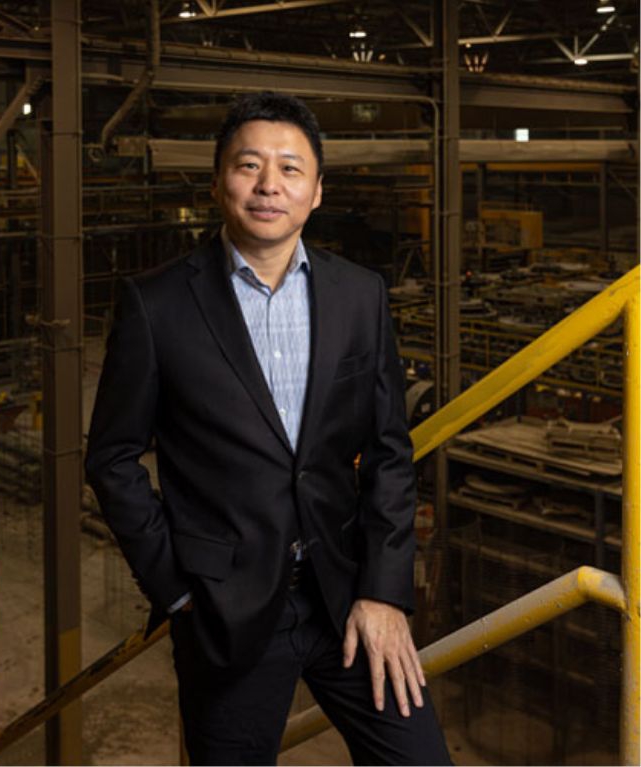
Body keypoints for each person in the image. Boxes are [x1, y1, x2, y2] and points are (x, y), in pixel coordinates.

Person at [85, 91, 451, 766]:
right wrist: (176, 587)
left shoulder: (359, 294)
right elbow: (111, 457)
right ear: (219, 179)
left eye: (288, 168)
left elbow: (389, 452)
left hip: (348, 598)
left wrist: (383, 587)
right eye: (248, 165)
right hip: (225, 613)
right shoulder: (157, 303)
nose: (267, 185)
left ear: (315, 191)